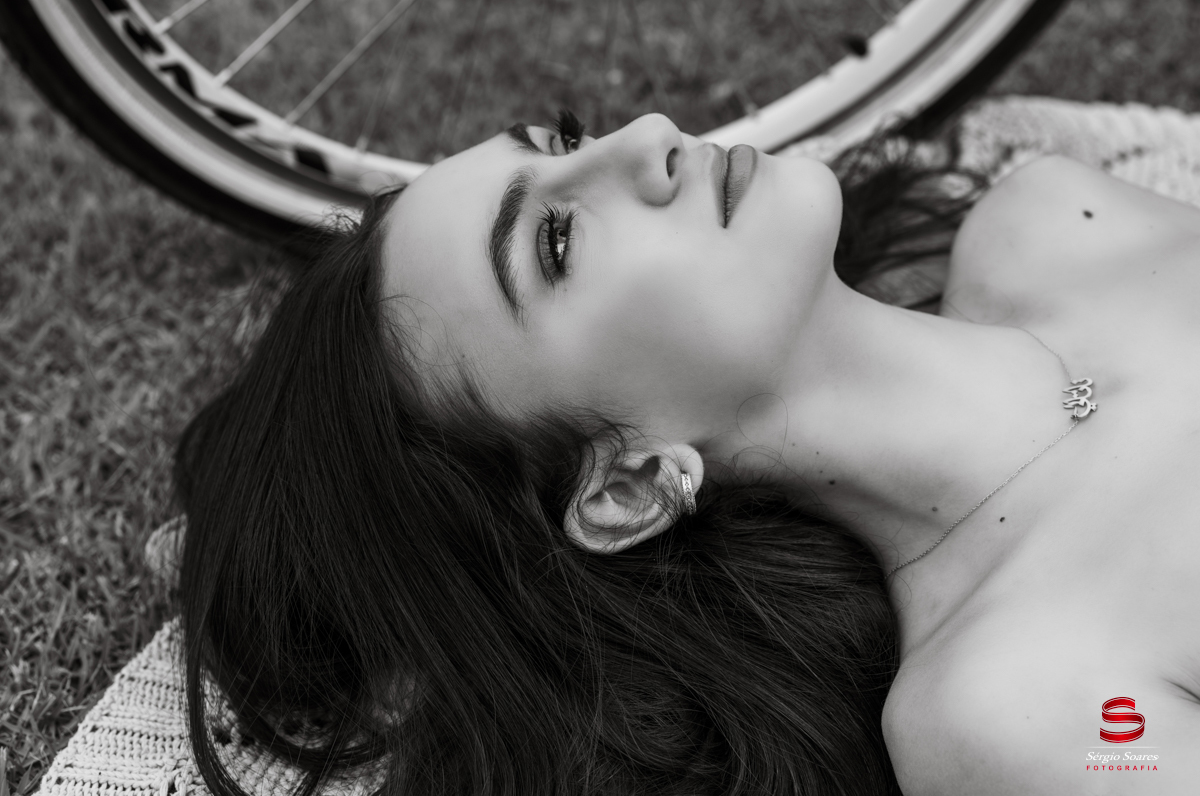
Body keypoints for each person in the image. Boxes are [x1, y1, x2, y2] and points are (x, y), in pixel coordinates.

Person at [174, 110, 1200, 796]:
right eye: (558, 241)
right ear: (625, 489)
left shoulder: (1054, 222)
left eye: (565, 136)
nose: (648, 136)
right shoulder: (1012, 704)